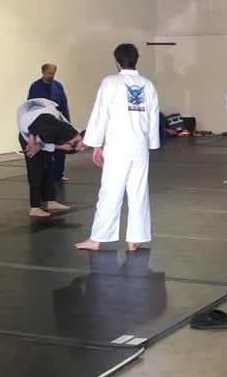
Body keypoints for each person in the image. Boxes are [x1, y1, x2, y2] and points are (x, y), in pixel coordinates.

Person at [76, 44, 160, 252]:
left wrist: (96, 144)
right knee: (138, 194)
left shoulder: (110, 82)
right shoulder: (148, 85)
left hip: (117, 149)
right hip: (140, 149)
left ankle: (97, 239)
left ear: (117, 62)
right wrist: (152, 142)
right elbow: (153, 117)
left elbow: (101, 113)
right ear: (136, 59)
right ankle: (135, 239)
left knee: (110, 193)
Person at [16, 98, 85, 218]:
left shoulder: (67, 130)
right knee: (36, 171)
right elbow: (42, 122)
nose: (83, 149)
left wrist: (62, 146)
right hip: (30, 134)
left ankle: (51, 201)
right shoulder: (29, 127)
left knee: (49, 167)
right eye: (84, 146)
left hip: (44, 113)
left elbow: (50, 142)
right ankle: (34, 207)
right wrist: (34, 141)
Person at [28, 63, 72, 181]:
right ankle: (44, 175)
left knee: (60, 149)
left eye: (53, 73)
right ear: (43, 72)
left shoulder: (58, 86)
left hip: (57, 120)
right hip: (42, 122)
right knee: (44, 148)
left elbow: (64, 104)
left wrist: (67, 122)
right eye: (48, 73)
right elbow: (31, 104)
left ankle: (58, 174)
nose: (51, 76)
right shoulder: (35, 86)